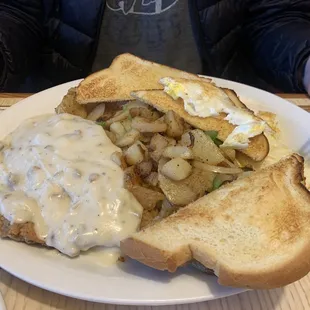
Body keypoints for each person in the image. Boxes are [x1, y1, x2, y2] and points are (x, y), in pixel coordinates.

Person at [0, 0, 309, 94]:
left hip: (215, 106)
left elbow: (277, 16)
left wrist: (306, 61)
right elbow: (17, 12)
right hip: (70, 111)